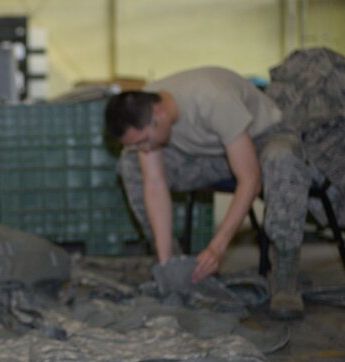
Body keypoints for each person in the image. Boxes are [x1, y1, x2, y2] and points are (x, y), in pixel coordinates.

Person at [104, 67, 315, 319]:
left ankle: (285, 280)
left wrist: (216, 248)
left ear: (158, 113)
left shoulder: (213, 98)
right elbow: (154, 184)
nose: (143, 148)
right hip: (212, 155)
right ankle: (174, 266)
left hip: (262, 141)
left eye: (143, 141)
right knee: (130, 164)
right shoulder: (144, 110)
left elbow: (250, 180)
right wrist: (168, 267)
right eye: (136, 143)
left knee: (284, 159)